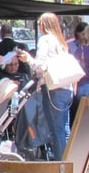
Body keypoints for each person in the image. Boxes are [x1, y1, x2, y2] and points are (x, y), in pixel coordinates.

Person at [18, 12, 74, 161]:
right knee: (63, 128)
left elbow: (40, 65)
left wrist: (27, 59)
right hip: (66, 88)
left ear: (43, 25)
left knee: (56, 130)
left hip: (52, 88)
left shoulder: (46, 40)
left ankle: (60, 165)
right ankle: (66, 161)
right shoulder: (61, 42)